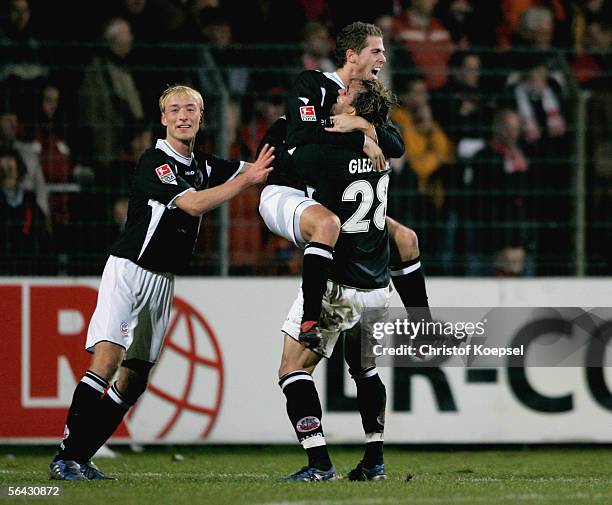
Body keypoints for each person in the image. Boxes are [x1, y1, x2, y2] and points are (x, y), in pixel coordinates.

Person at [48, 84, 274, 481]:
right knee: (106, 361)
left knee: (134, 379)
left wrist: (285, 151)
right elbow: (191, 203)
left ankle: (80, 456)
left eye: (191, 109)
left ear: (202, 117)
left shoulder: (201, 164)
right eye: (175, 110)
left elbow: (252, 168)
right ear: (164, 119)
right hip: (130, 270)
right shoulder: (156, 161)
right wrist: (246, 180)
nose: (184, 115)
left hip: (162, 281)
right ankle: (65, 456)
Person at [258, 21, 432, 350]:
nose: (384, 57)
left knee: (405, 238)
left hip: (333, 191)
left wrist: (362, 123)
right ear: (352, 55)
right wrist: (361, 140)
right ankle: (312, 317)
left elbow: (395, 144)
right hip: (290, 187)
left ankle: (423, 326)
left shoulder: (366, 99)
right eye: (376, 50)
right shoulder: (313, 83)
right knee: (327, 225)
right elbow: (300, 137)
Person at [277, 78, 397, 482]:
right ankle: (374, 461)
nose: (336, 97)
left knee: (292, 370)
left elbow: (291, 154)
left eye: (344, 97)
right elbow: (389, 141)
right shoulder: (382, 156)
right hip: (378, 284)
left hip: (339, 286)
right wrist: (367, 134)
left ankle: (319, 464)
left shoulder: (328, 152)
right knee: (365, 369)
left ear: (354, 112)